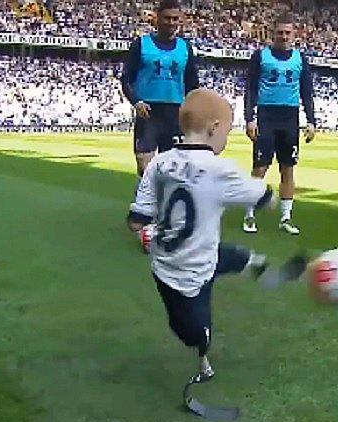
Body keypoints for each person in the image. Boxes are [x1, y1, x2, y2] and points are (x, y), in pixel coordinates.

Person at [126, 89, 305, 387]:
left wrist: (147, 229)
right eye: (229, 130)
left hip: (169, 262)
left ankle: (265, 271)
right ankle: (203, 355)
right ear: (214, 128)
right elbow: (264, 197)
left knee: (230, 256)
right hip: (187, 274)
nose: (227, 139)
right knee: (195, 332)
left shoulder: (158, 163)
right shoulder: (220, 169)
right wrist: (272, 200)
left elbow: (137, 219)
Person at [243, 12, 316, 236]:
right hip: (266, 116)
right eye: (279, 33)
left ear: (294, 34)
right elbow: (251, 88)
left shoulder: (300, 59)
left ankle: (285, 217)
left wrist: (311, 121)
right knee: (260, 167)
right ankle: (249, 215)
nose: (283, 36)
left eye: (287, 33)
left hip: (290, 117)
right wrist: (249, 118)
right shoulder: (260, 56)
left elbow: (307, 92)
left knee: (288, 168)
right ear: (272, 34)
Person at [120, 0, 199, 179]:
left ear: (180, 21)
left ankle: (165, 205)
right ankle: (145, 203)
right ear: (157, 19)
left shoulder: (185, 47)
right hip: (147, 112)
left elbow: (192, 83)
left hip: (175, 113)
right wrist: (136, 101)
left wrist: (192, 111)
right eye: (166, 18)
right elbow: (126, 79)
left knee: (172, 170)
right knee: (145, 166)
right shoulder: (141, 44)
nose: (171, 23)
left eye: (175, 19)